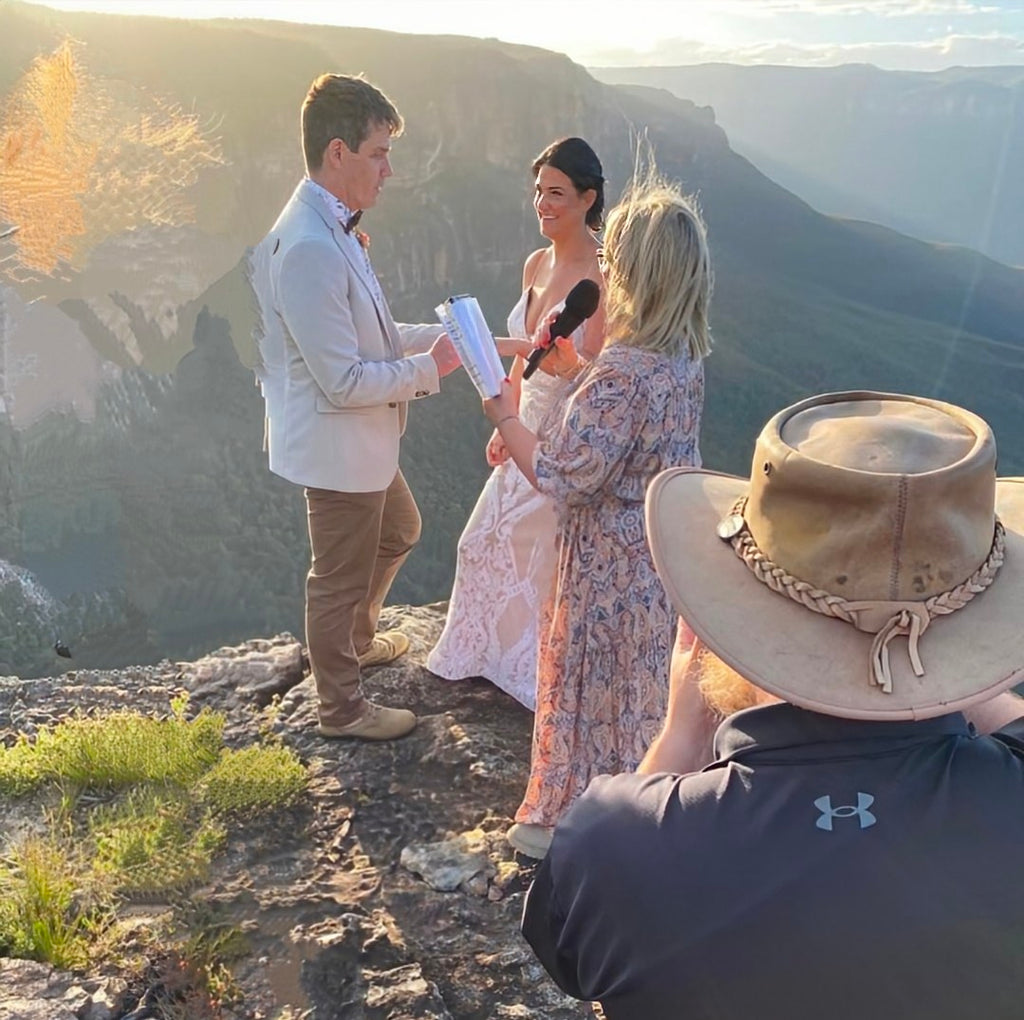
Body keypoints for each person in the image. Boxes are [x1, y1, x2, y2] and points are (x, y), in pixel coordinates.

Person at [521, 390, 1024, 1020]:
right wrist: (954, 663)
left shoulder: (610, 841)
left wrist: (681, 734)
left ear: (720, 621)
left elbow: (572, 950)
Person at [481, 166, 711, 858]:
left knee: (587, 689)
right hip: (655, 558)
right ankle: (647, 808)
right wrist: (570, 375)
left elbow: (561, 472)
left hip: (604, 567)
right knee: (640, 694)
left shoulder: (623, 370)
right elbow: (629, 428)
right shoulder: (678, 357)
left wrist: (504, 411)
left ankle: (564, 823)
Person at [249, 73, 461, 742]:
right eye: (378, 153)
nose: (389, 170)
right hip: (336, 446)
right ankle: (340, 708)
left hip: (361, 441)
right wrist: (432, 370)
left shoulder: (329, 226)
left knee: (399, 528)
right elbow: (341, 379)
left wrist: (454, 342)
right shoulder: (311, 247)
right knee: (335, 580)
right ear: (337, 153)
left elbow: (373, 332)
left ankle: (357, 641)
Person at [427, 137, 606, 710]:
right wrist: (503, 418)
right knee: (479, 540)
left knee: (535, 560)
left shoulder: (606, 277)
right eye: (538, 192)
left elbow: (602, 380)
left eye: (556, 193)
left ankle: (530, 684)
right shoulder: (536, 262)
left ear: (587, 198)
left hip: (564, 437)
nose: (543, 204)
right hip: (521, 420)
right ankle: (481, 663)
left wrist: (530, 419)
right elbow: (525, 356)